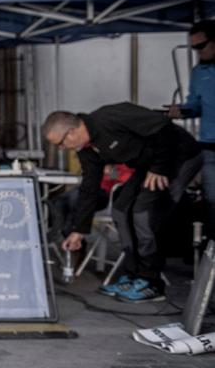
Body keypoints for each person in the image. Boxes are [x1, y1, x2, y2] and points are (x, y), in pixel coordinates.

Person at [44, 103, 202, 302]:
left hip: (179, 156)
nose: (61, 149)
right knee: (120, 209)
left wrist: (160, 167)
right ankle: (133, 274)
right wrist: (79, 230)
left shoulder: (110, 117)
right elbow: (89, 189)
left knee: (143, 212)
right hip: (149, 164)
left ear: (73, 131)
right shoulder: (86, 149)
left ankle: (151, 282)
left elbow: (163, 126)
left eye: (60, 143)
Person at [167, 19, 215, 233]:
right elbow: (195, 104)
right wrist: (182, 110)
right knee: (212, 199)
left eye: (200, 46)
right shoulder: (198, 72)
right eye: (193, 47)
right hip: (209, 145)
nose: (197, 52)